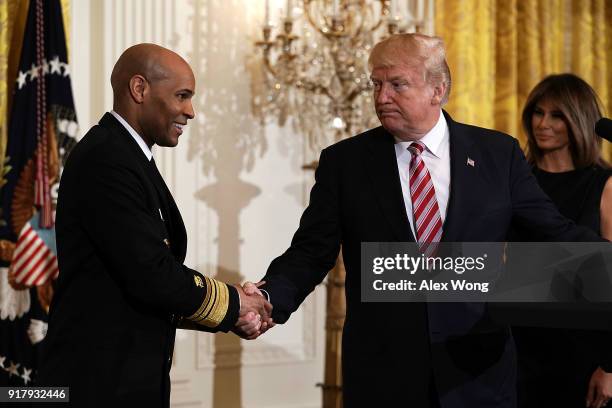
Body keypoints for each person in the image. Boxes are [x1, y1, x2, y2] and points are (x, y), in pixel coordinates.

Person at [244, 34, 605, 407]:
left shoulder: (498, 154)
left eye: (397, 84)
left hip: (477, 372)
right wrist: (269, 298)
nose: (382, 97)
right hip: (384, 373)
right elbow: (310, 252)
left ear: (438, 90)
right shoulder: (345, 163)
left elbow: (554, 233)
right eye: (376, 84)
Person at [37, 44, 272, 407]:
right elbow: (151, 273)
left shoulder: (129, 158)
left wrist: (230, 314)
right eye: (182, 96)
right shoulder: (106, 160)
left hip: (123, 381)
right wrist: (235, 303)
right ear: (139, 89)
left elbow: (147, 291)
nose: (190, 111)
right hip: (94, 384)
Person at [512, 73, 612, 408]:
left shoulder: (604, 184)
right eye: (538, 113)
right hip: (520, 346)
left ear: (579, 120)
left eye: (556, 115)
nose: (543, 123)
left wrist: (610, 366)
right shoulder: (514, 181)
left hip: (585, 351)